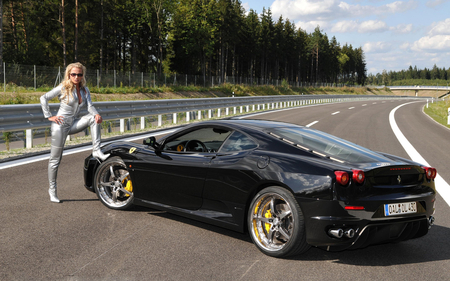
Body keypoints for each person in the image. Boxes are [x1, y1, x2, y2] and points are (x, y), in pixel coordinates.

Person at [40, 62, 109, 203]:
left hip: (73, 123)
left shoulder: (85, 90)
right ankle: (52, 190)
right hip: (60, 126)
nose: (76, 77)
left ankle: (96, 150)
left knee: (93, 119)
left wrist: (96, 114)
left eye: (79, 74)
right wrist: (49, 116)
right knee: (55, 160)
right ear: (69, 75)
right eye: (73, 74)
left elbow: (90, 106)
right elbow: (44, 98)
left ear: (82, 76)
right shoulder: (63, 87)